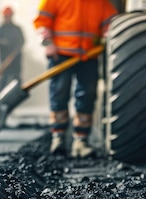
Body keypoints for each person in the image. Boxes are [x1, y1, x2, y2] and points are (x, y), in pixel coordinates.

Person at [34, 0, 118, 158]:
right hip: (60, 54)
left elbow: (111, 23)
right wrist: (48, 43)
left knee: (87, 94)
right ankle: (58, 138)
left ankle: (81, 141)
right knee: (59, 93)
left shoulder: (100, 3)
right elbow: (42, 21)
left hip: (88, 56)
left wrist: (107, 36)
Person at [0, 6, 25, 94]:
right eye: (6, 16)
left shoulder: (17, 29)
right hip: (3, 61)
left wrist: (15, 51)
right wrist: (1, 42)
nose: (7, 18)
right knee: (2, 81)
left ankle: (14, 99)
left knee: (16, 82)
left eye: (9, 16)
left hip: (16, 61)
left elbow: (22, 41)